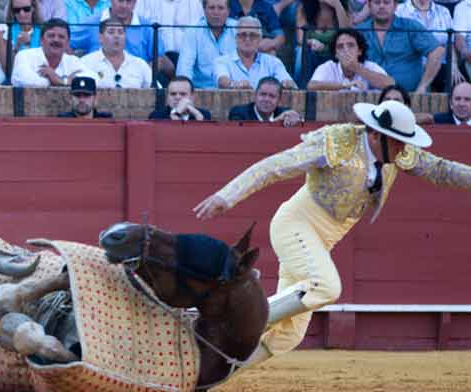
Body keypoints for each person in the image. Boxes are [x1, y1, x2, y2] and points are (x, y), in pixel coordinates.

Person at [193, 100, 471, 370]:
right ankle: (237, 319)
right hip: (296, 225)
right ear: (376, 135)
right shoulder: (337, 143)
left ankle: (207, 378)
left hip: (321, 241)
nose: (403, 149)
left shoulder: (398, 153)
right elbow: (274, 166)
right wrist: (227, 196)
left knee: (289, 335)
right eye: (398, 141)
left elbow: (441, 170)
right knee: (326, 287)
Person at [356, 0, 443, 92]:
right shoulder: (359, 31)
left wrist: (423, 86)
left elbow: (436, 51)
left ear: (395, 6)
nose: (381, 6)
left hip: (409, 97)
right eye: (377, 2)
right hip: (369, 97)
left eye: (386, 2)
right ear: (369, 5)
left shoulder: (410, 27)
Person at [214, 16, 295, 88]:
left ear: (260, 39)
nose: (247, 39)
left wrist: (287, 84)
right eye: (243, 35)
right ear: (236, 38)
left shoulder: (273, 62)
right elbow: (222, 81)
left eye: (252, 35)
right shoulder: (222, 61)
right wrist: (236, 85)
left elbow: (288, 82)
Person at [307, 27, 393, 91]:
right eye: (340, 47)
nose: (346, 50)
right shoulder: (328, 67)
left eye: (351, 45)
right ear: (336, 54)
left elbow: (390, 85)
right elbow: (311, 86)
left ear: (359, 51)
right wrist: (345, 85)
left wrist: (357, 68)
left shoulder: (370, 66)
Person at [176, 0, 238, 89]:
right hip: (201, 92)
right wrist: (184, 90)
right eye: (211, 8)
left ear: (228, 11)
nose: (216, 12)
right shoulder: (192, 31)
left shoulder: (238, 29)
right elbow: (184, 68)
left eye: (220, 8)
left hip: (232, 90)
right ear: (204, 10)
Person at [11, 18, 88, 87]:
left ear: (67, 43)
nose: (56, 40)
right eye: (51, 36)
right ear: (41, 40)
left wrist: (59, 79)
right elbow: (23, 79)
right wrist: (58, 81)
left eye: (61, 37)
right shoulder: (24, 56)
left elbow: (95, 80)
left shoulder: (73, 61)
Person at [80, 18, 152, 88]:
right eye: (111, 32)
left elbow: (158, 91)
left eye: (120, 32)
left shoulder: (140, 64)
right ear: (100, 38)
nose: (116, 36)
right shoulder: (86, 63)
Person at [294, 0, 351, 81]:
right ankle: (301, 88)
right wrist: (312, 42)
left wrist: (337, 5)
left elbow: (347, 35)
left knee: (345, 51)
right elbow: (301, 39)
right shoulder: (303, 8)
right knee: (300, 51)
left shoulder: (343, 8)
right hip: (312, 52)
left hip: (334, 53)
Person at [0, 0, 42, 84]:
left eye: (26, 9)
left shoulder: (43, 32)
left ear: (33, 8)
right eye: (17, 10)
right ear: (12, 12)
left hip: (36, 80)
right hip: (8, 80)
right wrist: (17, 46)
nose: (22, 14)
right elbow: (7, 69)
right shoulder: (2, 30)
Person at [228, 76, 301, 124]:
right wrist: (276, 122)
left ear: (279, 100)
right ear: (255, 96)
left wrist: (296, 118)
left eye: (272, 96)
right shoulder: (238, 113)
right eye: (263, 94)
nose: (266, 99)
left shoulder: (285, 113)